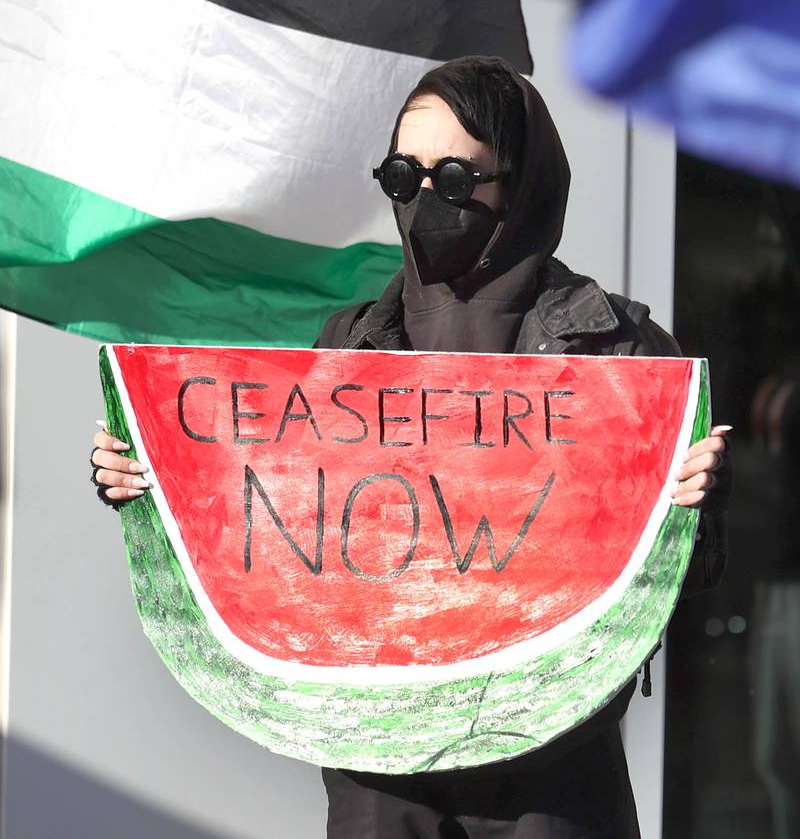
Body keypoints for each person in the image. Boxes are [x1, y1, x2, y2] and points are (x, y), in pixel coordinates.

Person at [90, 56, 731, 838]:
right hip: (379, 773)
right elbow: (273, 527)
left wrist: (693, 506)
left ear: (520, 181)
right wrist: (154, 480)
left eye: (457, 178)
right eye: (403, 174)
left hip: (557, 762)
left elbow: (679, 578)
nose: (427, 198)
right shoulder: (347, 348)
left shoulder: (622, 354)